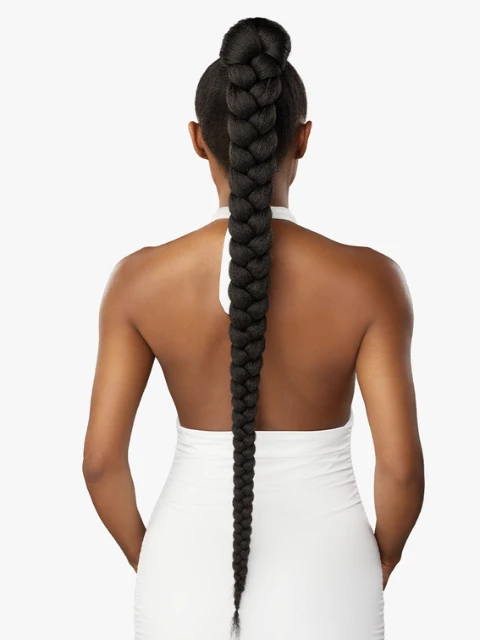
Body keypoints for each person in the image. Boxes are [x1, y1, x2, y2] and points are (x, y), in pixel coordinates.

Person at [82, 16, 425, 640]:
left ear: (198, 139)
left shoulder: (138, 282)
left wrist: (150, 560)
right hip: (329, 572)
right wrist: (385, 557)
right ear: (303, 138)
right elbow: (400, 469)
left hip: (183, 569)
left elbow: (102, 464)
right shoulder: (371, 281)